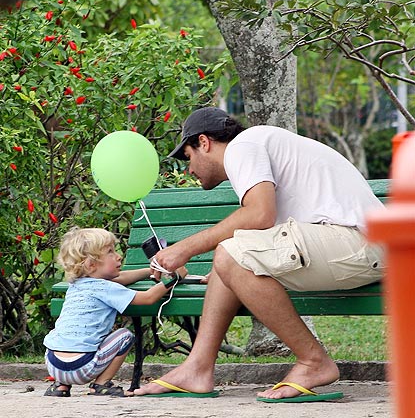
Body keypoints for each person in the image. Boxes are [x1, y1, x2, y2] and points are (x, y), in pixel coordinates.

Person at [134, 106, 384, 402]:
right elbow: (266, 228)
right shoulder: (261, 147)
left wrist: (184, 248)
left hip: (359, 243)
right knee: (230, 261)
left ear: (204, 142)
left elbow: (260, 214)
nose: (189, 169)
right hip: (352, 246)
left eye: (188, 157)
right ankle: (197, 369)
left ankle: (313, 361)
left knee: (231, 254)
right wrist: (230, 269)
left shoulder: (244, 144)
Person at [43, 227, 187, 397]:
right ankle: (101, 384)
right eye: (110, 252)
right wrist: (173, 280)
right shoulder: (105, 288)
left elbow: (121, 278)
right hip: (82, 367)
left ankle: (61, 386)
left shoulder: (76, 285)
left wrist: (150, 271)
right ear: (91, 264)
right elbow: (148, 298)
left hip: (53, 364)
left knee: (66, 334)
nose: (118, 256)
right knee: (125, 336)